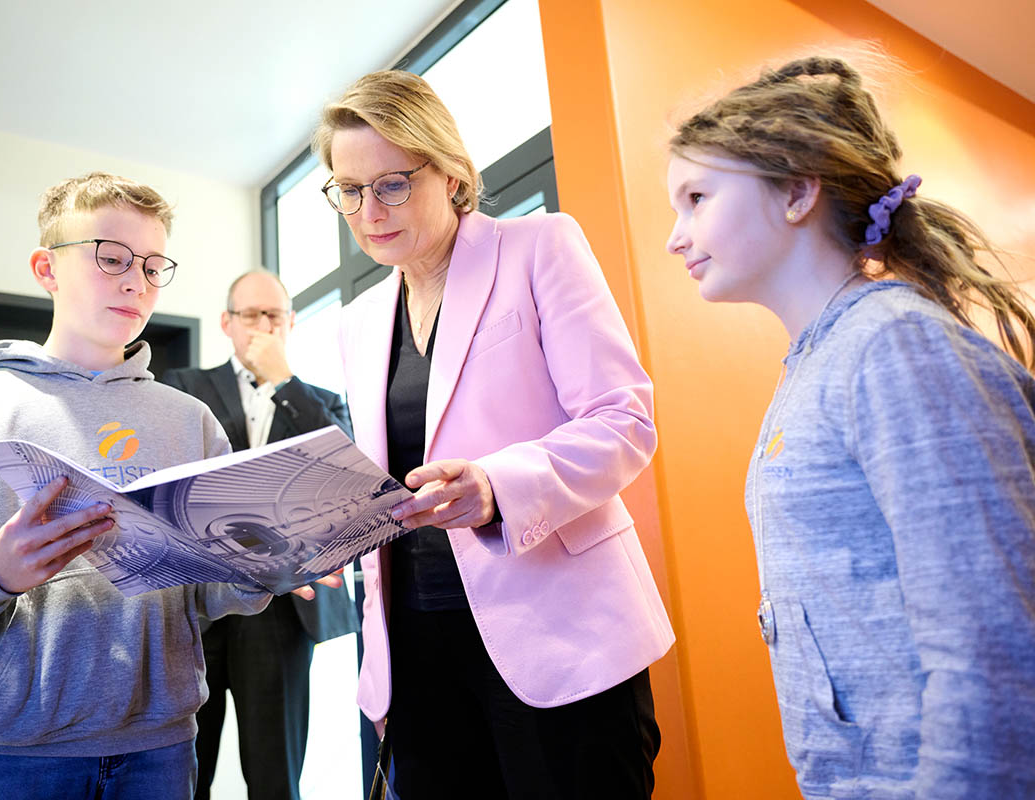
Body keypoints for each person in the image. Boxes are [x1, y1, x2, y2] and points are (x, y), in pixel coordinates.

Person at [0, 172, 334, 800]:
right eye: (111, 257)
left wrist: (258, 569)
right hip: (4, 760)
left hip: (159, 753)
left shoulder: (191, 420)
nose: (136, 280)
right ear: (46, 269)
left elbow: (205, 594)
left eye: (154, 265)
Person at [665, 55, 1035, 799]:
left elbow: (990, 642)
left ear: (799, 190)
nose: (677, 236)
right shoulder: (817, 362)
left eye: (697, 197)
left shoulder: (897, 345)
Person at [311, 70, 675, 799]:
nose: (366, 210)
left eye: (390, 184)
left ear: (450, 174)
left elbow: (623, 418)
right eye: (347, 190)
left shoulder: (539, 247)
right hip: (416, 650)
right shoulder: (358, 322)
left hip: (557, 631)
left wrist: (496, 485)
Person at [161, 269, 358, 800]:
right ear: (227, 322)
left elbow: (345, 470)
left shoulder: (320, 400)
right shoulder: (183, 388)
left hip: (284, 606)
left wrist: (284, 383)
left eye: (275, 315)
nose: (263, 326)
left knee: (276, 772)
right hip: (198, 603)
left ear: (291, 323)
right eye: (251, 315)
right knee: (183, 771)